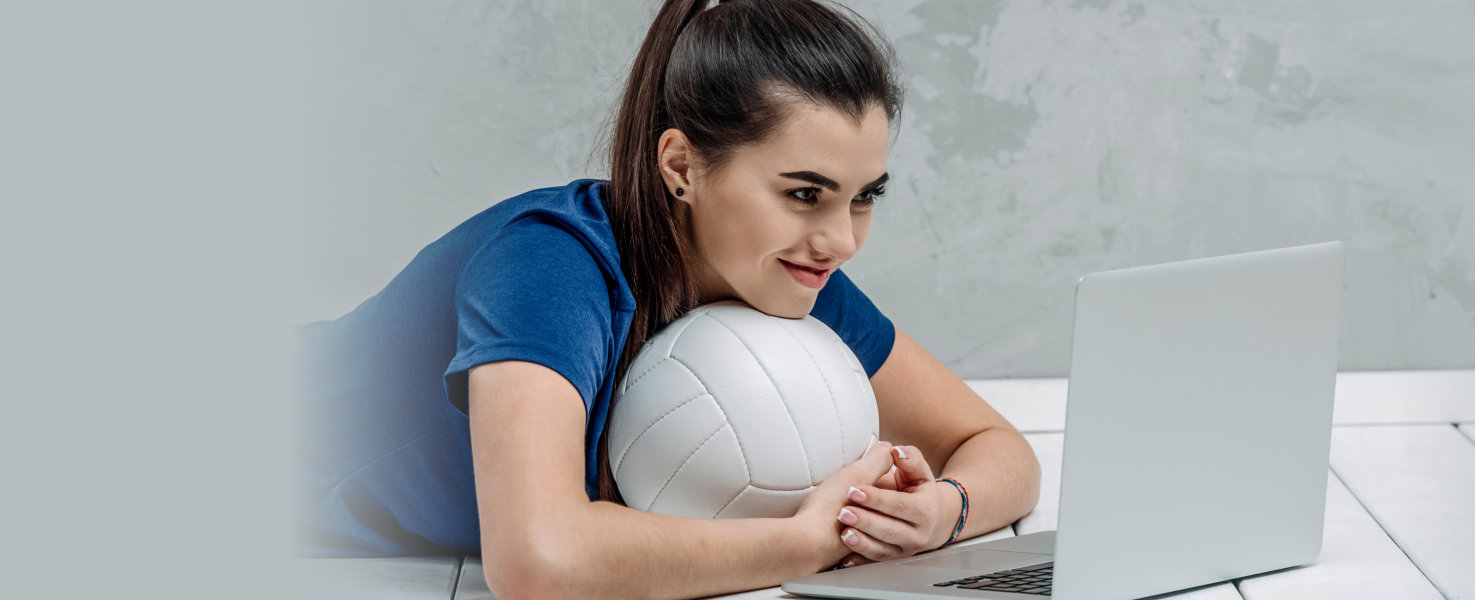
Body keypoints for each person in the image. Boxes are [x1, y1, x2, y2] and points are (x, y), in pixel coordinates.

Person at [292, 0, 1042, 597]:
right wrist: (812, 540)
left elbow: (1000, 450)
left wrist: (938, 512)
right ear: (681, 164)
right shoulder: (549, 266)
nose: (840, 240)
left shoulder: (786, 272)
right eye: (805, 193)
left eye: (863, 197)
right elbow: (537, 563)